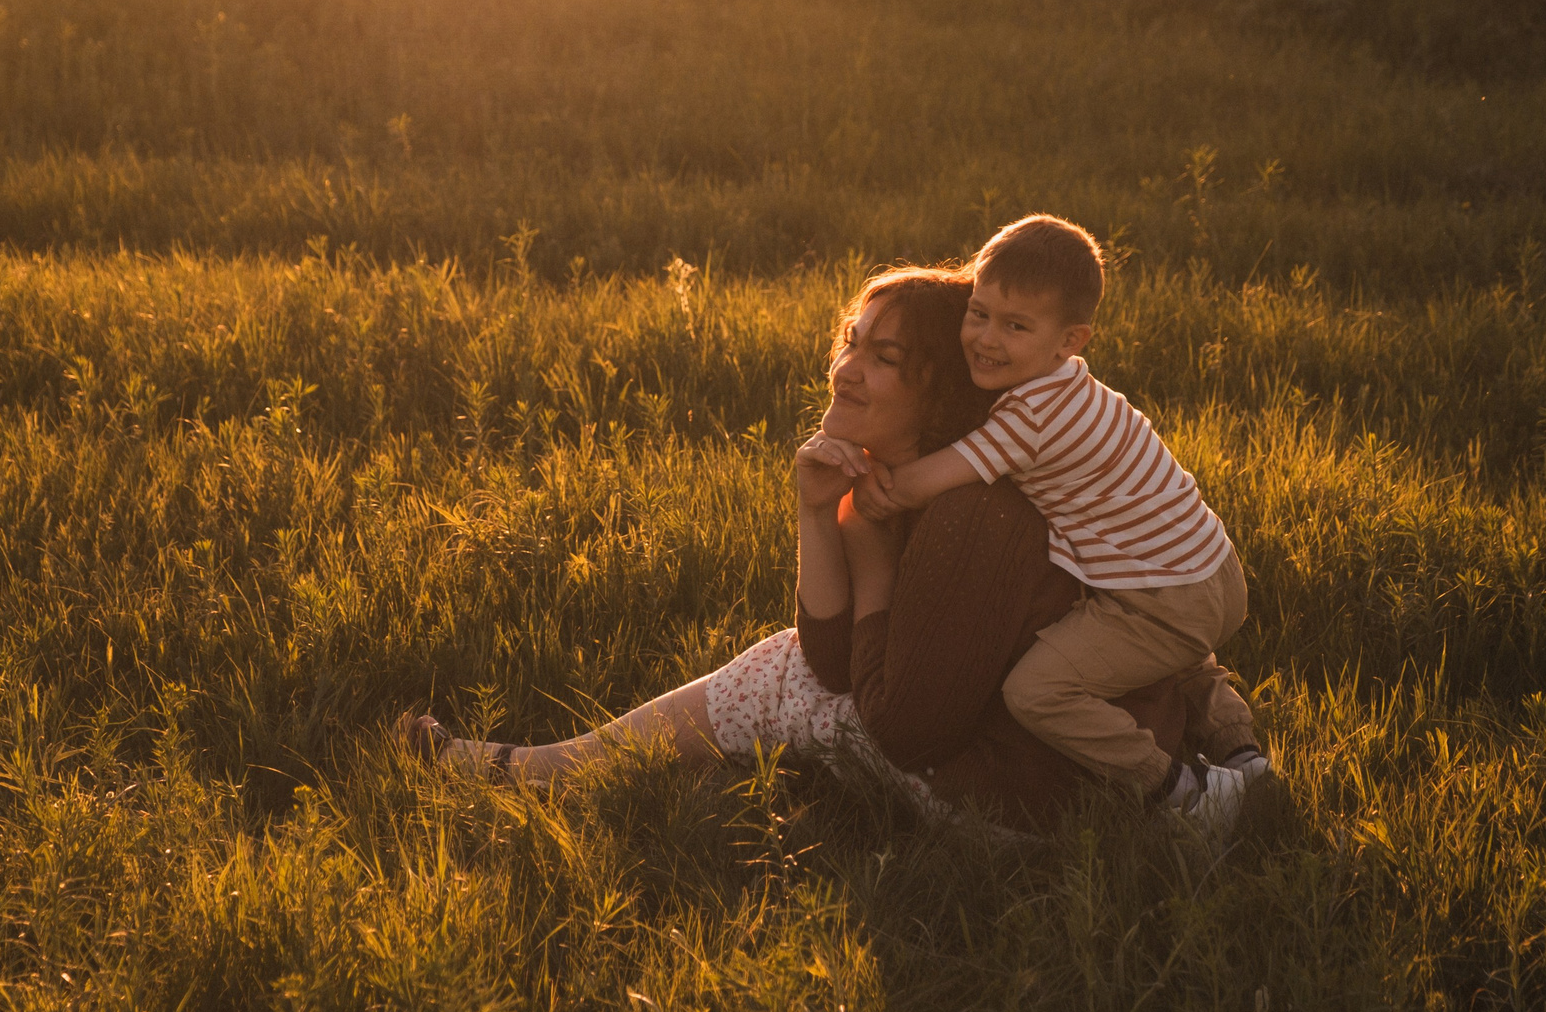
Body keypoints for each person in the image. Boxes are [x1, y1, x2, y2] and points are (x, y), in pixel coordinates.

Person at [405, 265, 1267, 836]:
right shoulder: (890, 492)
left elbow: (903, 725)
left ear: (941, 394)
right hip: (1020, 756)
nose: (846, 369)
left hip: (1037, 803)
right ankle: (581, 768)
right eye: (851, 341)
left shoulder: (974, 517)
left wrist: (875, 576)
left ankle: (541, 774)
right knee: (794, 670)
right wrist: (823, 519)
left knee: (785, 678)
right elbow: (834, 656)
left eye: (885, 356)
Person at [852, 216, 1266, 813]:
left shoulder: (1032, 418)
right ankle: (1242, 757)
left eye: (1015, 326)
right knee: (1173, 654)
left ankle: (1182, 793)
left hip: (1167, 594)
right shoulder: (1075, 387)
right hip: (1204, 569)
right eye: (979, 312)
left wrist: (865, 475)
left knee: (1039, 691)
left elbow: (926, 482)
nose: (986, 339)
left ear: (1070, 340)